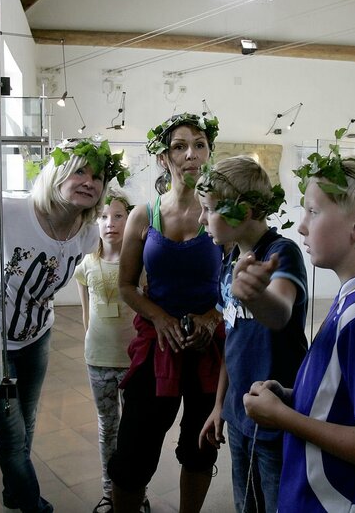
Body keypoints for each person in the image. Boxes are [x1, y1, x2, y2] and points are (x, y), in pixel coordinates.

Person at [0, 138, 127, 513]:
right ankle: (33, 507)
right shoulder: (4, 210)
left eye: (97, 176)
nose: (89, 181)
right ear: (57, 173)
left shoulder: (87, 233)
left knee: (25, 426)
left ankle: (14, 493)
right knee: (11, 437)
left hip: (37, 338)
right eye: (79, 170)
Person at [243, 151, 355, 512]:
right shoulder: (353, 295)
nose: (302, 225)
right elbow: (343, 398)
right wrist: (292, 396)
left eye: (313, 212)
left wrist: (283, 417)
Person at [108, 113, 225, 513]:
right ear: (164, 158)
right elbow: (126, 284)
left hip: (208, 347)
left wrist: (213, 314)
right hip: (157, 343)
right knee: (134, 450)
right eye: (180, 146)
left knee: (200, 447)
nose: (191, 154)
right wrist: (159, 317)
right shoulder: (144, 215)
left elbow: (238, 280)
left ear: (209, 153)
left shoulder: (222, 212)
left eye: (199, 144)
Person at [195, 156, 309, 513]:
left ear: (241, 213)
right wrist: (219, 406)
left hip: (274, 414)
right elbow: (232, 337)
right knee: (246, 503)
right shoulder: (230, 262)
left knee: (276, 503)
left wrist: (258, 294)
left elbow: (280, 313)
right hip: (239, 413)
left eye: (208, 209)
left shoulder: (281, 254)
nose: (201, 220)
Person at [74, 187, 137, 513]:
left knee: (132, 431)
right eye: (103, 216)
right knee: (107, 427)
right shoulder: (86, 264)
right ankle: (109, 491)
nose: (109, 223)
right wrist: (89, 343)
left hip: (132, 361)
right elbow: (86, 312)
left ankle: (132, 491)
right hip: (97, 359)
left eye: (118, 216)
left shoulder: (140, 264)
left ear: (130, 219)